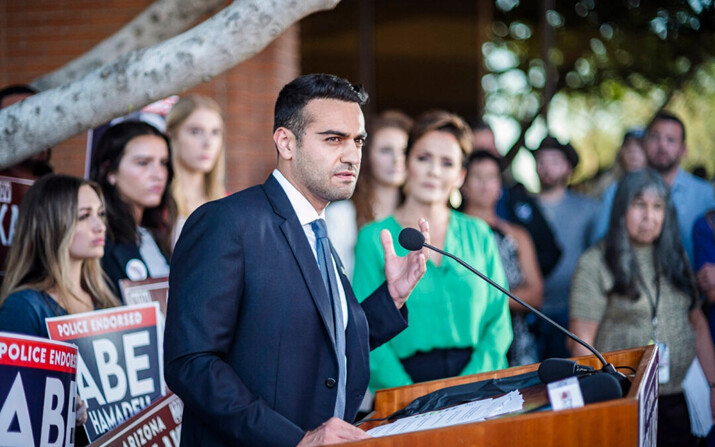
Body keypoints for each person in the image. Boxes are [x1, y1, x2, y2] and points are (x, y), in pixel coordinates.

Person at [163, 73, 429, 447]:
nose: (352, 154)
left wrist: (392, 298)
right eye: (334, 139)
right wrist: (296, 440)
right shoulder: (226, 222)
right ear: (286, 142)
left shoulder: (317, 228)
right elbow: (191, 364)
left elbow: (315, 340)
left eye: (358, 140)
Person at [353, 110, 511, 391]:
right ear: (407, 162)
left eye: (447, 163)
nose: (434, 171)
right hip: (404, 391)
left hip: (480, 388)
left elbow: (499, 323)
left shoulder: (479, 233)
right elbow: (365, 332)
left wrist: (470, 388)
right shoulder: (374, 238)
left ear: (461, 175)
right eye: (424, 158)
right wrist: (410, 398)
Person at [569, 169, 715, 446]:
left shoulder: (675, 257)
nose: (649, 216)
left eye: (657, 206)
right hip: (625, 399)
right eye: (639, 205)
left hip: (682, 396)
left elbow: (696, 322)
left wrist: (713, 385)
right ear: (621, 208)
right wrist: (602, 398)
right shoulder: (596, 262)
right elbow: (580, 342)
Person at [0, 174, 121, 445]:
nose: (99, 225)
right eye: (84, 216)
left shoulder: (106, 300)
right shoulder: (24, 307)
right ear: (51, 224)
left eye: (100, 214)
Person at [591, 112, 715, 263]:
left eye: (670, 140)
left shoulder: (707, 194)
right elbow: (598, 247)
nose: (662, 145)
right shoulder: (618, 190)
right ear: (644, 144)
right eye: (655, 137)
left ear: (684, 150)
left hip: (692, 284)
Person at [461, 150, 543, 366]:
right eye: (477, 177)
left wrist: (484, 299)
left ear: (500, 187)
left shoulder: (517, 235)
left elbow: (535, 294)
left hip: (516, 339)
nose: (485, 184)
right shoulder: (452, 233)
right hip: (465, 337)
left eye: (492, 177)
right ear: (463, 183)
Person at [531, 136, 598, 360]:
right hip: (531, 310)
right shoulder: (522, 207)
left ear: (568, 167)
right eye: (541, 161)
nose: (547, 168)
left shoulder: (588, 208)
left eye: (555, 162)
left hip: (573, 310)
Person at [469, 117, 561, 278]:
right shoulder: (453, 212)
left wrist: (519, 270)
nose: (486, 157)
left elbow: (550, 251)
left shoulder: (518, 199)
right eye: (478, 151)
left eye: (491, 148)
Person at [90, 121, 174, 296]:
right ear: (110, 172)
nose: (158, 174)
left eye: (163, 163)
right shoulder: (97, 238)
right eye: (143, 163)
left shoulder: (153, 234)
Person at [326, 110, 412, 279]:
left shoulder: (417, 216)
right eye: (386, 150)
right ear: (366, 156)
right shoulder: (341, 216)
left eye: (404, 150)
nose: (397, 159)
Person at [165, 94, 226, 245]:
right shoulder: (156, 205)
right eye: (196, 132)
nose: (208, 143)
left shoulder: (230, 203)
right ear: (172, 136)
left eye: (215, 132)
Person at [576, 128, 646, 199]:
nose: (634, 154)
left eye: (640, 148)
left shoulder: (654, 186)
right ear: (621, 152)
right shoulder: (607, 185)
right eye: (628, 147)